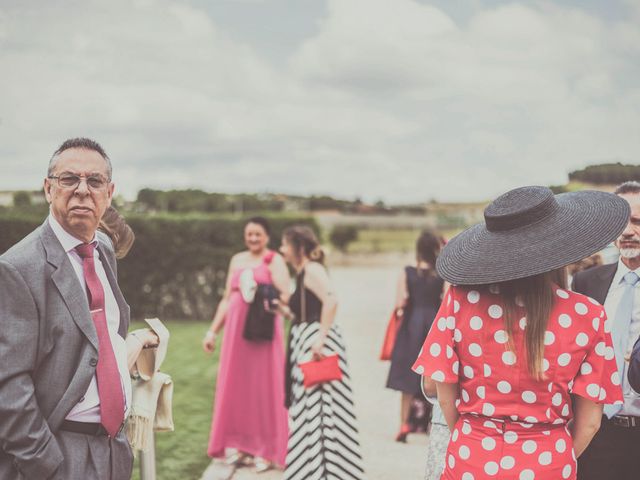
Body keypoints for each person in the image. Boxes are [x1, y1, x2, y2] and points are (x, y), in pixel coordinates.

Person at [412, 185, 629, 480]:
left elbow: (444, 395)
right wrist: (554, 457)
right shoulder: (588, 315)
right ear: (560, 244)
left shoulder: (461, 300)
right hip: (548, 461)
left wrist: (475, 439)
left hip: (471, 456)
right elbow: (591, 422)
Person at [0, 138, 136, 479]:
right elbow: (8, 383)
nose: (82, 190)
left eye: (94, 181)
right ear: (48, 188)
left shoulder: (102, 248)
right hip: (61, 455)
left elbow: (99, 338)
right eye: (68, 179)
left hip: (114, 452)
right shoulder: (17, 268)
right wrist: (44, 463)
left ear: (109, 191)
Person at [276, 225, 365, 480]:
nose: (282, 250)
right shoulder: (303, 272)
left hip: (317, 346)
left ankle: (329, 472)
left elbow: (331, 300)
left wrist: (320, 339)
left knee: (323, 409)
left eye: (285, 244)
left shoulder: (313, 270)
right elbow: (306, 310)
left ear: (298, 248)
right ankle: (312, 469)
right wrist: (283, 311)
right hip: (307, 340)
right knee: (309, 410)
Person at [203, 217, 289, 472]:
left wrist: (264, 297)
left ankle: (267, 449)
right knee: (237, 388)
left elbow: (286, 296)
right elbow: (226, 300)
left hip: (263, 334)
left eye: (258, 235)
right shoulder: (237, 260)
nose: (253, 239)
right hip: (235, 335)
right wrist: (212, 332)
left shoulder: (275, 260)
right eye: (249, 234)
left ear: (267, 237)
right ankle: (239, 446)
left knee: (265, 389)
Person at [572, 181, 640, 479]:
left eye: (637, 221)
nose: (627, 231)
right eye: (620, 223)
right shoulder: (586, 283)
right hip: (598, 434)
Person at [386, 230, 444, 442]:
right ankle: (430, 423)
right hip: (434, 326)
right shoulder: (441, 273)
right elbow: (446, 298)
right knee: (432, 375)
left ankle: (403, 424)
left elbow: (399, 303)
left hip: (412, 325)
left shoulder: (408, 271)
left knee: (407, 378)